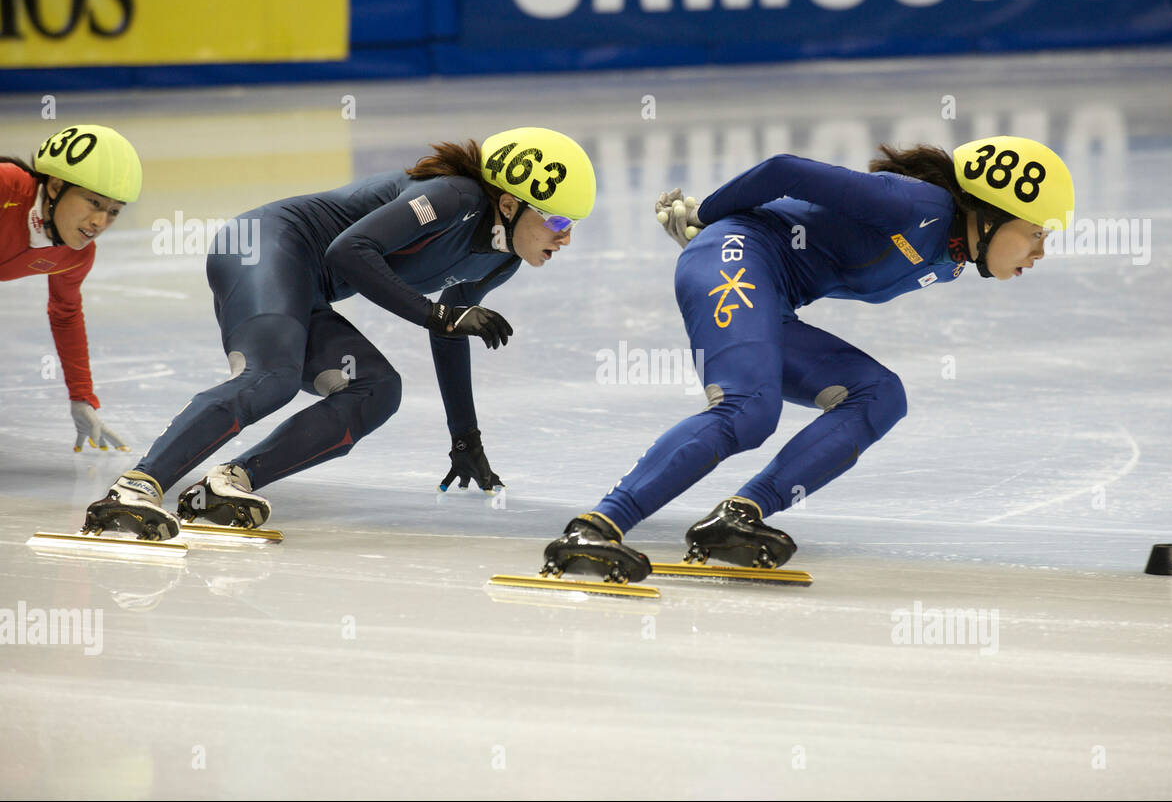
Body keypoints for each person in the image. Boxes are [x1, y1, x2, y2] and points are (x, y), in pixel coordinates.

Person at [542, 136, 1074, 583]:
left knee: (880, 394)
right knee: (749, 411)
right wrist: (704, 217)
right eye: (1035, 232)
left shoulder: (952, 257)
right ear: (991, 214)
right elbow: (785, 170)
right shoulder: (918, 207)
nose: (1040, 251)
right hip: (732, 258)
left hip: (770, 294)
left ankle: (738, 516)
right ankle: (595, 527)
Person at [82, 127, 595, 540]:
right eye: (555, 219)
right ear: (508, 204)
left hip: (305, 286)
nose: (565, 236)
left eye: (574, 223)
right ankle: (137, 485)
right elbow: (349, 252)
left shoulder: (502, 259)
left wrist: (466, 437)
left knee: (378, 389)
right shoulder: (451, 196)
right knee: (273, 377)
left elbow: (449, 331)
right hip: (262, 246)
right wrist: (439, 316)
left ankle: (226, 484)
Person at [1, 124, 142, 453]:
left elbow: (65, 315)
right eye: (93, 202)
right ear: (55, 185)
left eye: (113, 212)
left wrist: (82, 397)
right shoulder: (7, 186)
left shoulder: (76, 256)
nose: (99, 222)